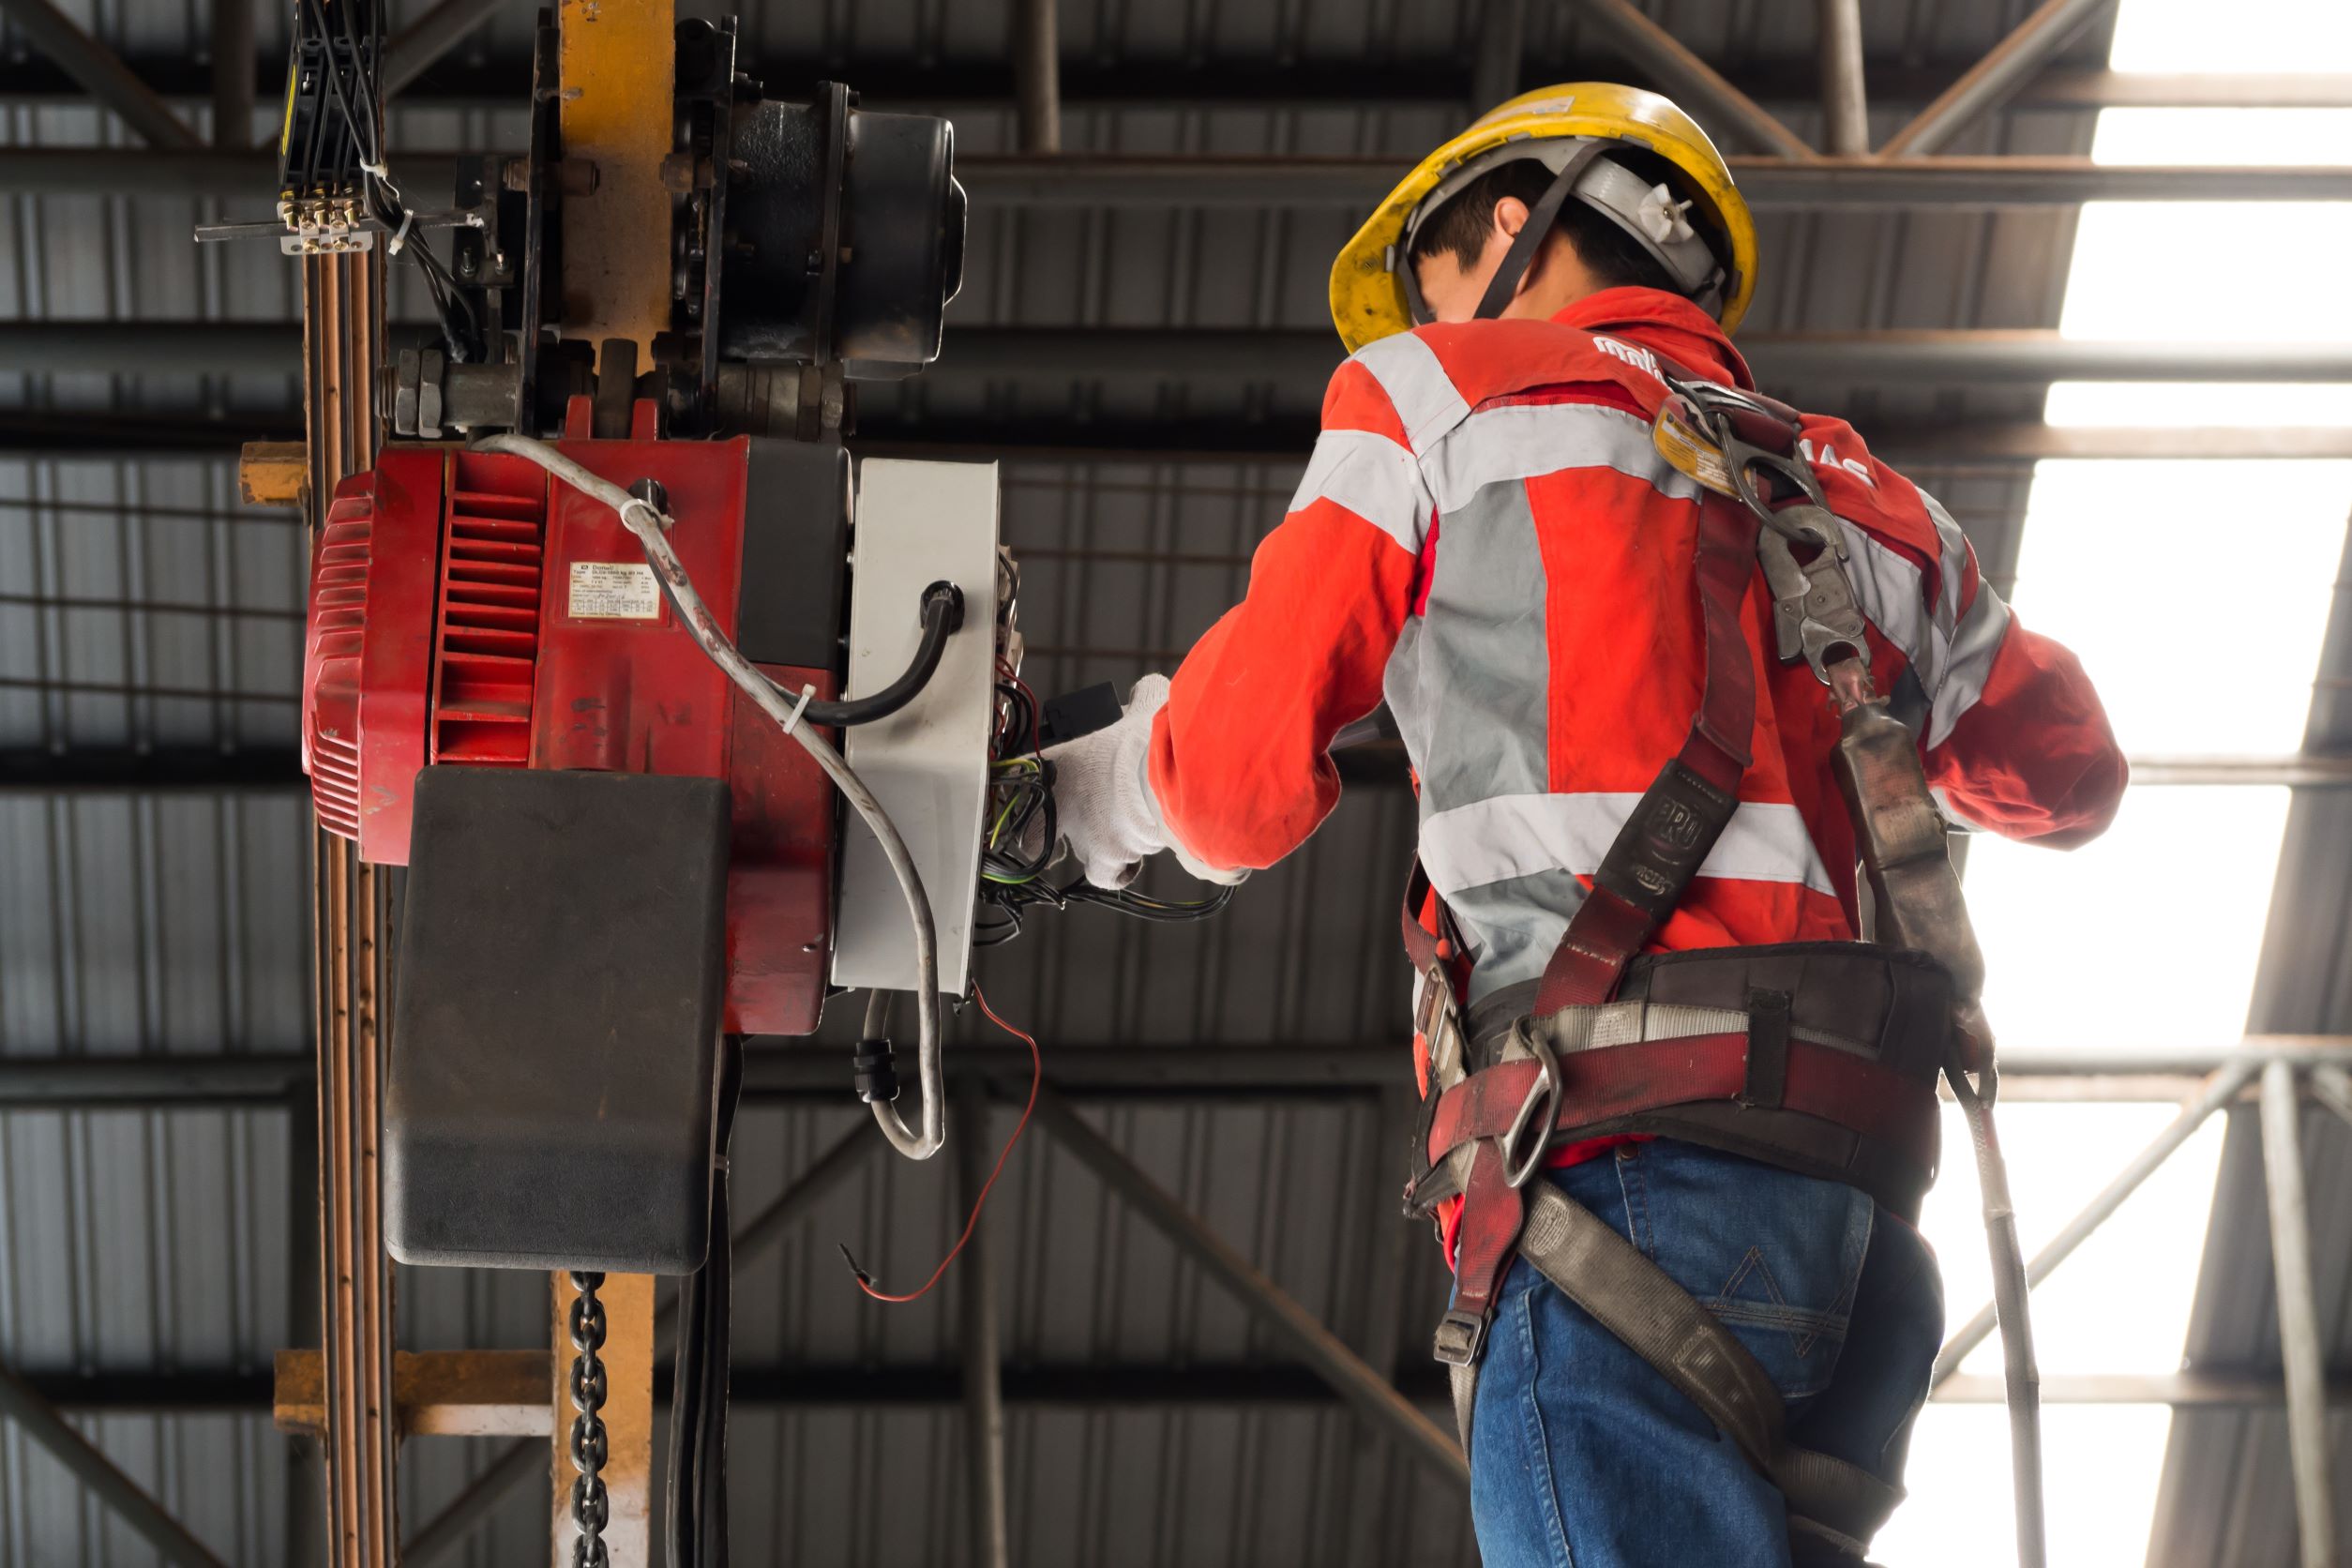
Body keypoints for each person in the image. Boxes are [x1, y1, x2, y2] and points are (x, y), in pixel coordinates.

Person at [1044, 84, 2126, 1567]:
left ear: (1513, 223)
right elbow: (2074, 775)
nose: (1413, 312)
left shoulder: (1433, 395)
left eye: (1427, 271)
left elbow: (1231, 788)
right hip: (1866, 1231)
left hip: (1624, 1183)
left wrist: (1091, 796)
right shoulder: (1873, 502)